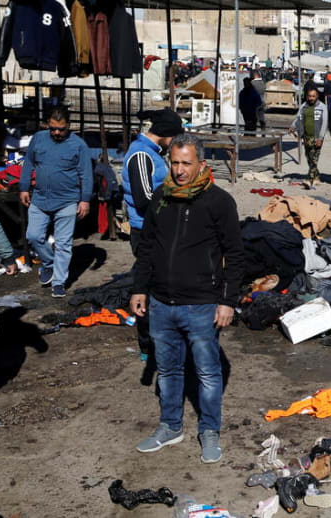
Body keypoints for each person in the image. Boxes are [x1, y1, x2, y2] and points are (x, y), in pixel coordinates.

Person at [130, 134, 243, 463]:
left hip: (202, 304)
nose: (179, 170)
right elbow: (147, 248)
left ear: (201, 164)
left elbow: (235, 255)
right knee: (168, 370)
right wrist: (140, 288)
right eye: (174, 163)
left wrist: (228, 301)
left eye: (186, 163)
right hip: (162, 303)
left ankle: (209, 431)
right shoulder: (162, 197)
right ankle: (170, 426)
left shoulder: (219, 202)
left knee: (208, 373)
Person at [121, 107, 184, 358]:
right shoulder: (141, 156)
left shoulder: (151, 154)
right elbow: (144, 198)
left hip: (157, 229)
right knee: (150, 288)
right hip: (146, 232)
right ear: (166, 135)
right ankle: (148, 344)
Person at [19, 105, 92, 298]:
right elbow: (28, 164)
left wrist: (85, 200)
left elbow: (86, 174)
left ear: (69, 125)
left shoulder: (79, 145)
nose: (57, 132)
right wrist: (24, 187)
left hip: (67, 200)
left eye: (61, 129)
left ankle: (59, 281)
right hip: (40, 197)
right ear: (47, 125)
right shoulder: (39, 139)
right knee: (33, 235)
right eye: (53, 128)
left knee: (63, 243)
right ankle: (49, 263)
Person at [289, 86, 328, 189]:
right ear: (307, 96)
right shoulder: (304, 106)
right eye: (309, 96)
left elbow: (324, 124)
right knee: (309, 158)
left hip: (317, 137)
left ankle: (310, 180)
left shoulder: (322, 107)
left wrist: (320, 138)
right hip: (306, 136)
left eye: (313, 96)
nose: (311, 98)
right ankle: (317, 176)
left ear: (317, 96)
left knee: (314, 159)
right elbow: (298, 118)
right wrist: (292, 126)